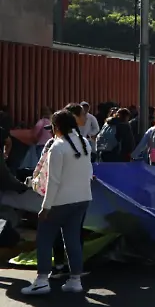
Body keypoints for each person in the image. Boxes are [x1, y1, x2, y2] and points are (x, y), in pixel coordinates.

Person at [22, 110, 93, 295]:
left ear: (57, 126)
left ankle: (42, 280)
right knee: (72, 239)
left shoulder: (57, 147)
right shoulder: (85, 143)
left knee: (45, 238)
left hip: (60, 202)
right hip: (83, 199)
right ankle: (75, 280)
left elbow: (54, 181)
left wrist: (45, 207)